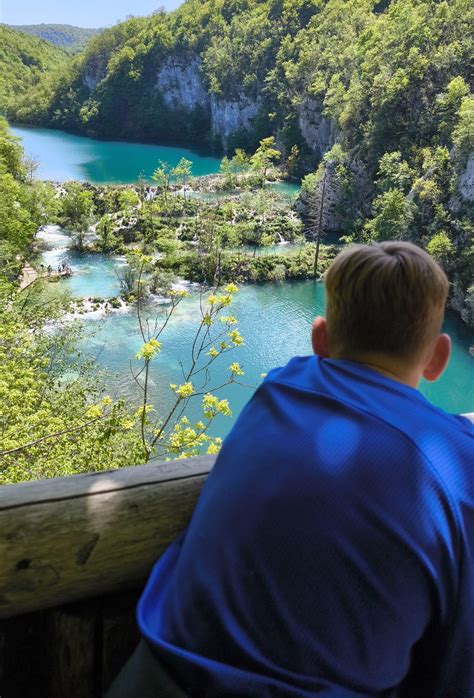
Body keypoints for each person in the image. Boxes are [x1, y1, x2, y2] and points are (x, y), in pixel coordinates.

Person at [108, 241, 473, 697]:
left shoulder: (280, 385)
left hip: (154, 678)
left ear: (319, 337)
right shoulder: (456, 464)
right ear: (439, 357)